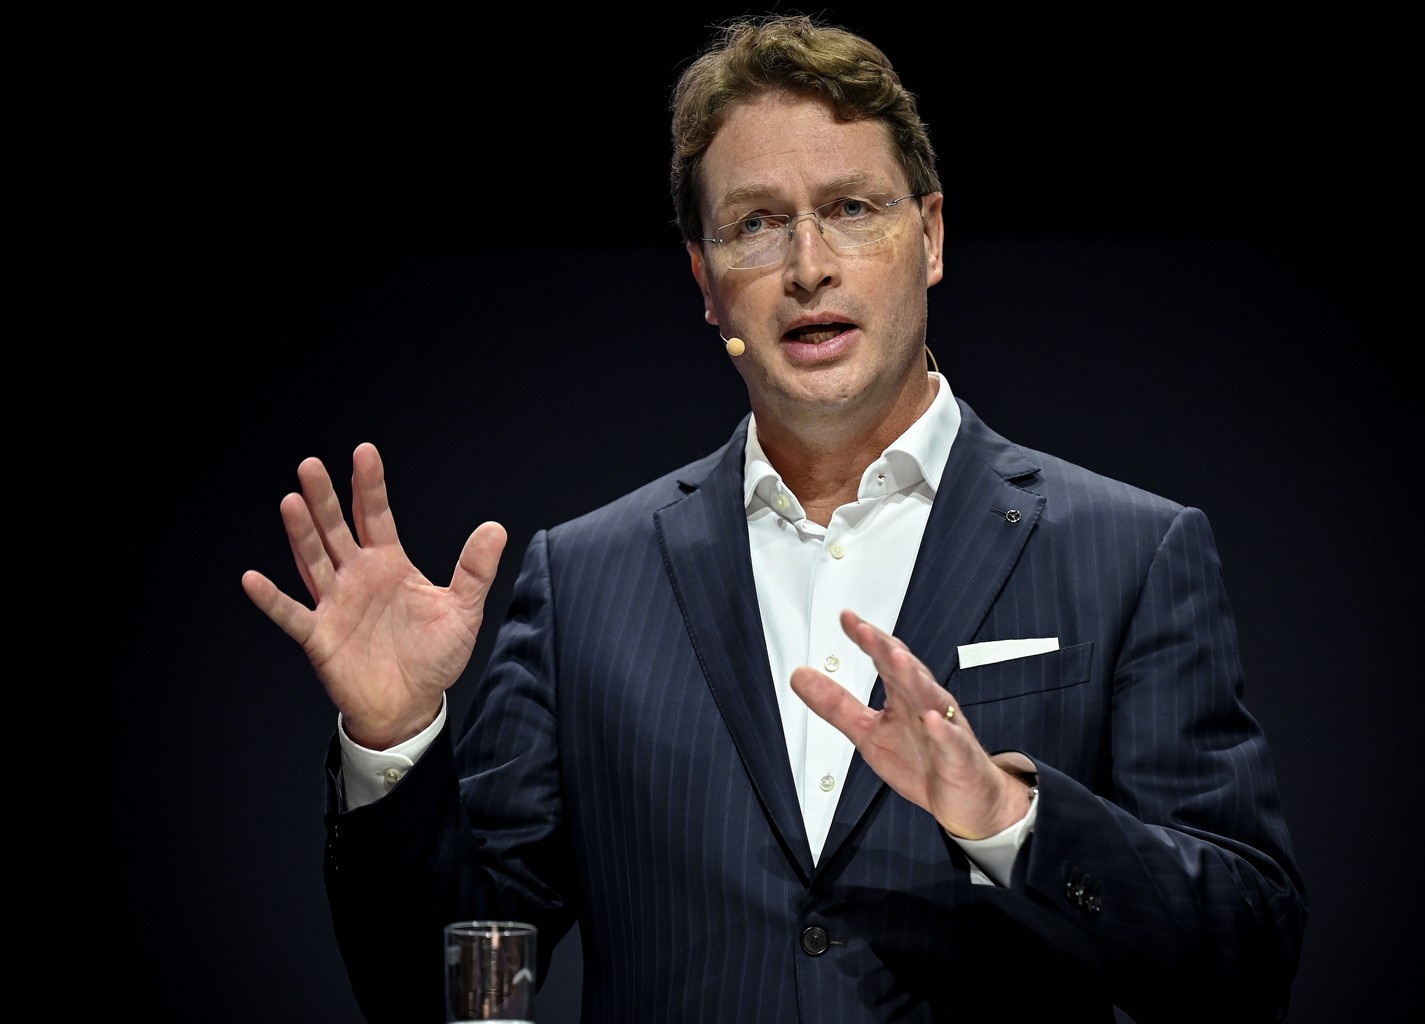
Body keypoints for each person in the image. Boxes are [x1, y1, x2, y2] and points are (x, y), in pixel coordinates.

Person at [242, 13, 1306, 1023]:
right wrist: (394, 744)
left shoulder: (1130, 550)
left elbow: (1246, 961)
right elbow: (446, 986)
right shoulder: (586, 581)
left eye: (852, 208)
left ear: (929, 237)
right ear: (707, 283)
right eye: (756, 224)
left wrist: (1011, 820)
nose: (808, 266)